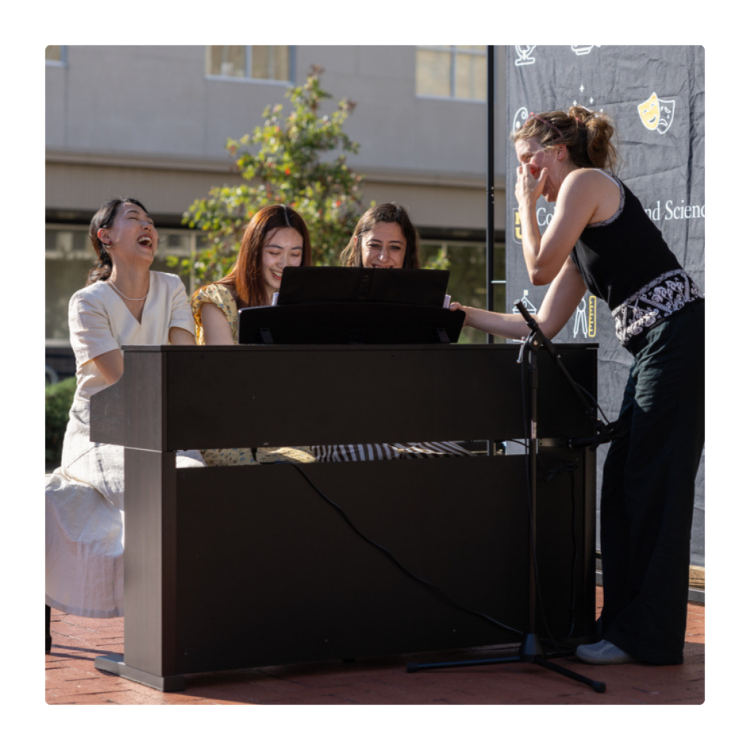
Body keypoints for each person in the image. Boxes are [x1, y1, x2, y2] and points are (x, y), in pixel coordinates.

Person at [451, 108, 706, 666]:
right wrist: (462, 314)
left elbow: (538, 267)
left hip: (680, 340)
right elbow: (536, 325)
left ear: (558, 151)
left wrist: (522, 203)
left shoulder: (588, 183)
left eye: (528, 162)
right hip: (656, 348)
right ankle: (620, 626)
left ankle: (650, 639)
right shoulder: (582, 229)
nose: (525, 174)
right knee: (619, 488)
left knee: (654, 489)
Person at [44, 198, 205, 619]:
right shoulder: (87, 301)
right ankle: (157, 619)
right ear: (106, 237)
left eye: (150, 221)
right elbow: (121, 378)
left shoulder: (171, 286)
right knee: (176, 480)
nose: (147, 225)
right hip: (100, 433)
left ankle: (183, 616)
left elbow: (185, 364)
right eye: (134, 219)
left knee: (197, 482)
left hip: (160, 427)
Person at [313, 202, 476, 462]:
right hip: (339, 430)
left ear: (406, 252)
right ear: (358, 244)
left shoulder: (422, 306)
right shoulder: (329, 300)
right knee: (379, 458)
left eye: (395, 248)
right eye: (374, 245)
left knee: (462, 463)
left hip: (406, 429)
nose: (383, 257)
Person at [191, 204, 315, 465]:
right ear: (254, 252)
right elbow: (225, 381)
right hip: (223, 427)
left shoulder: (303, 307)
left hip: (281, 427)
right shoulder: (218, 299)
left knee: (304, 468)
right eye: (274, 252)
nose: (284, 263)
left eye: (295, 254)